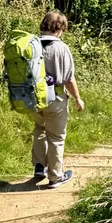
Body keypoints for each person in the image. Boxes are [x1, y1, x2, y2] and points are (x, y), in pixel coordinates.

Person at [29, 10, 85, 188]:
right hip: (55, 97)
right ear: (60, 28)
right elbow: (69, 78)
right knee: (56, 137)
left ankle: (39, 167)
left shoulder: (31, 45)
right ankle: (55, 177)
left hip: (32, 97)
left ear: (44, 25)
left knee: (39, 129)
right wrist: (77, 98)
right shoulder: (61, 48)